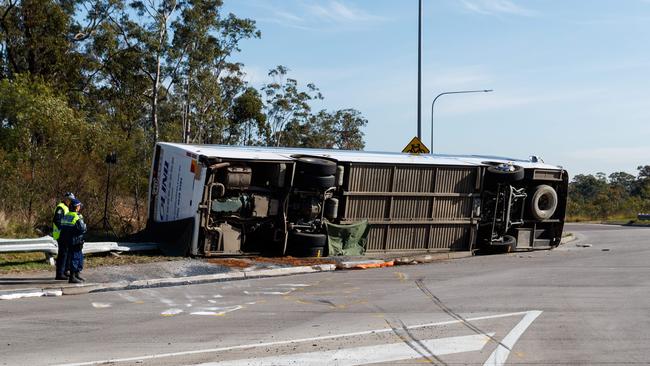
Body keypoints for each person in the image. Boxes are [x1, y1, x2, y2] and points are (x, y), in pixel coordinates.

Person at [59, 198, 87, 284]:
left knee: (75, 257)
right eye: (79, 206)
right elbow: (82, 229)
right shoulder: (76, 216)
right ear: (76, 207)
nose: (79, 207)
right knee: (76, 258)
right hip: (75, 240)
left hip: (66, 240)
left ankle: (76, 275)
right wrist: (84, 226)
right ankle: (73, 277)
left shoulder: (66, 215)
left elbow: (63, 227)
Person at [53, 192, 75, 280]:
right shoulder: (60, 207)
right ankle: (60, 274)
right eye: (70, 199)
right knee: (63, 254)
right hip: (61, 234)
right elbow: (57, 220)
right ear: (66, 199)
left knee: (67, 253)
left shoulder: (67, 207)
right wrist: (64, 229)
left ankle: (65, 271)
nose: (71, 201)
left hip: (65, 234)